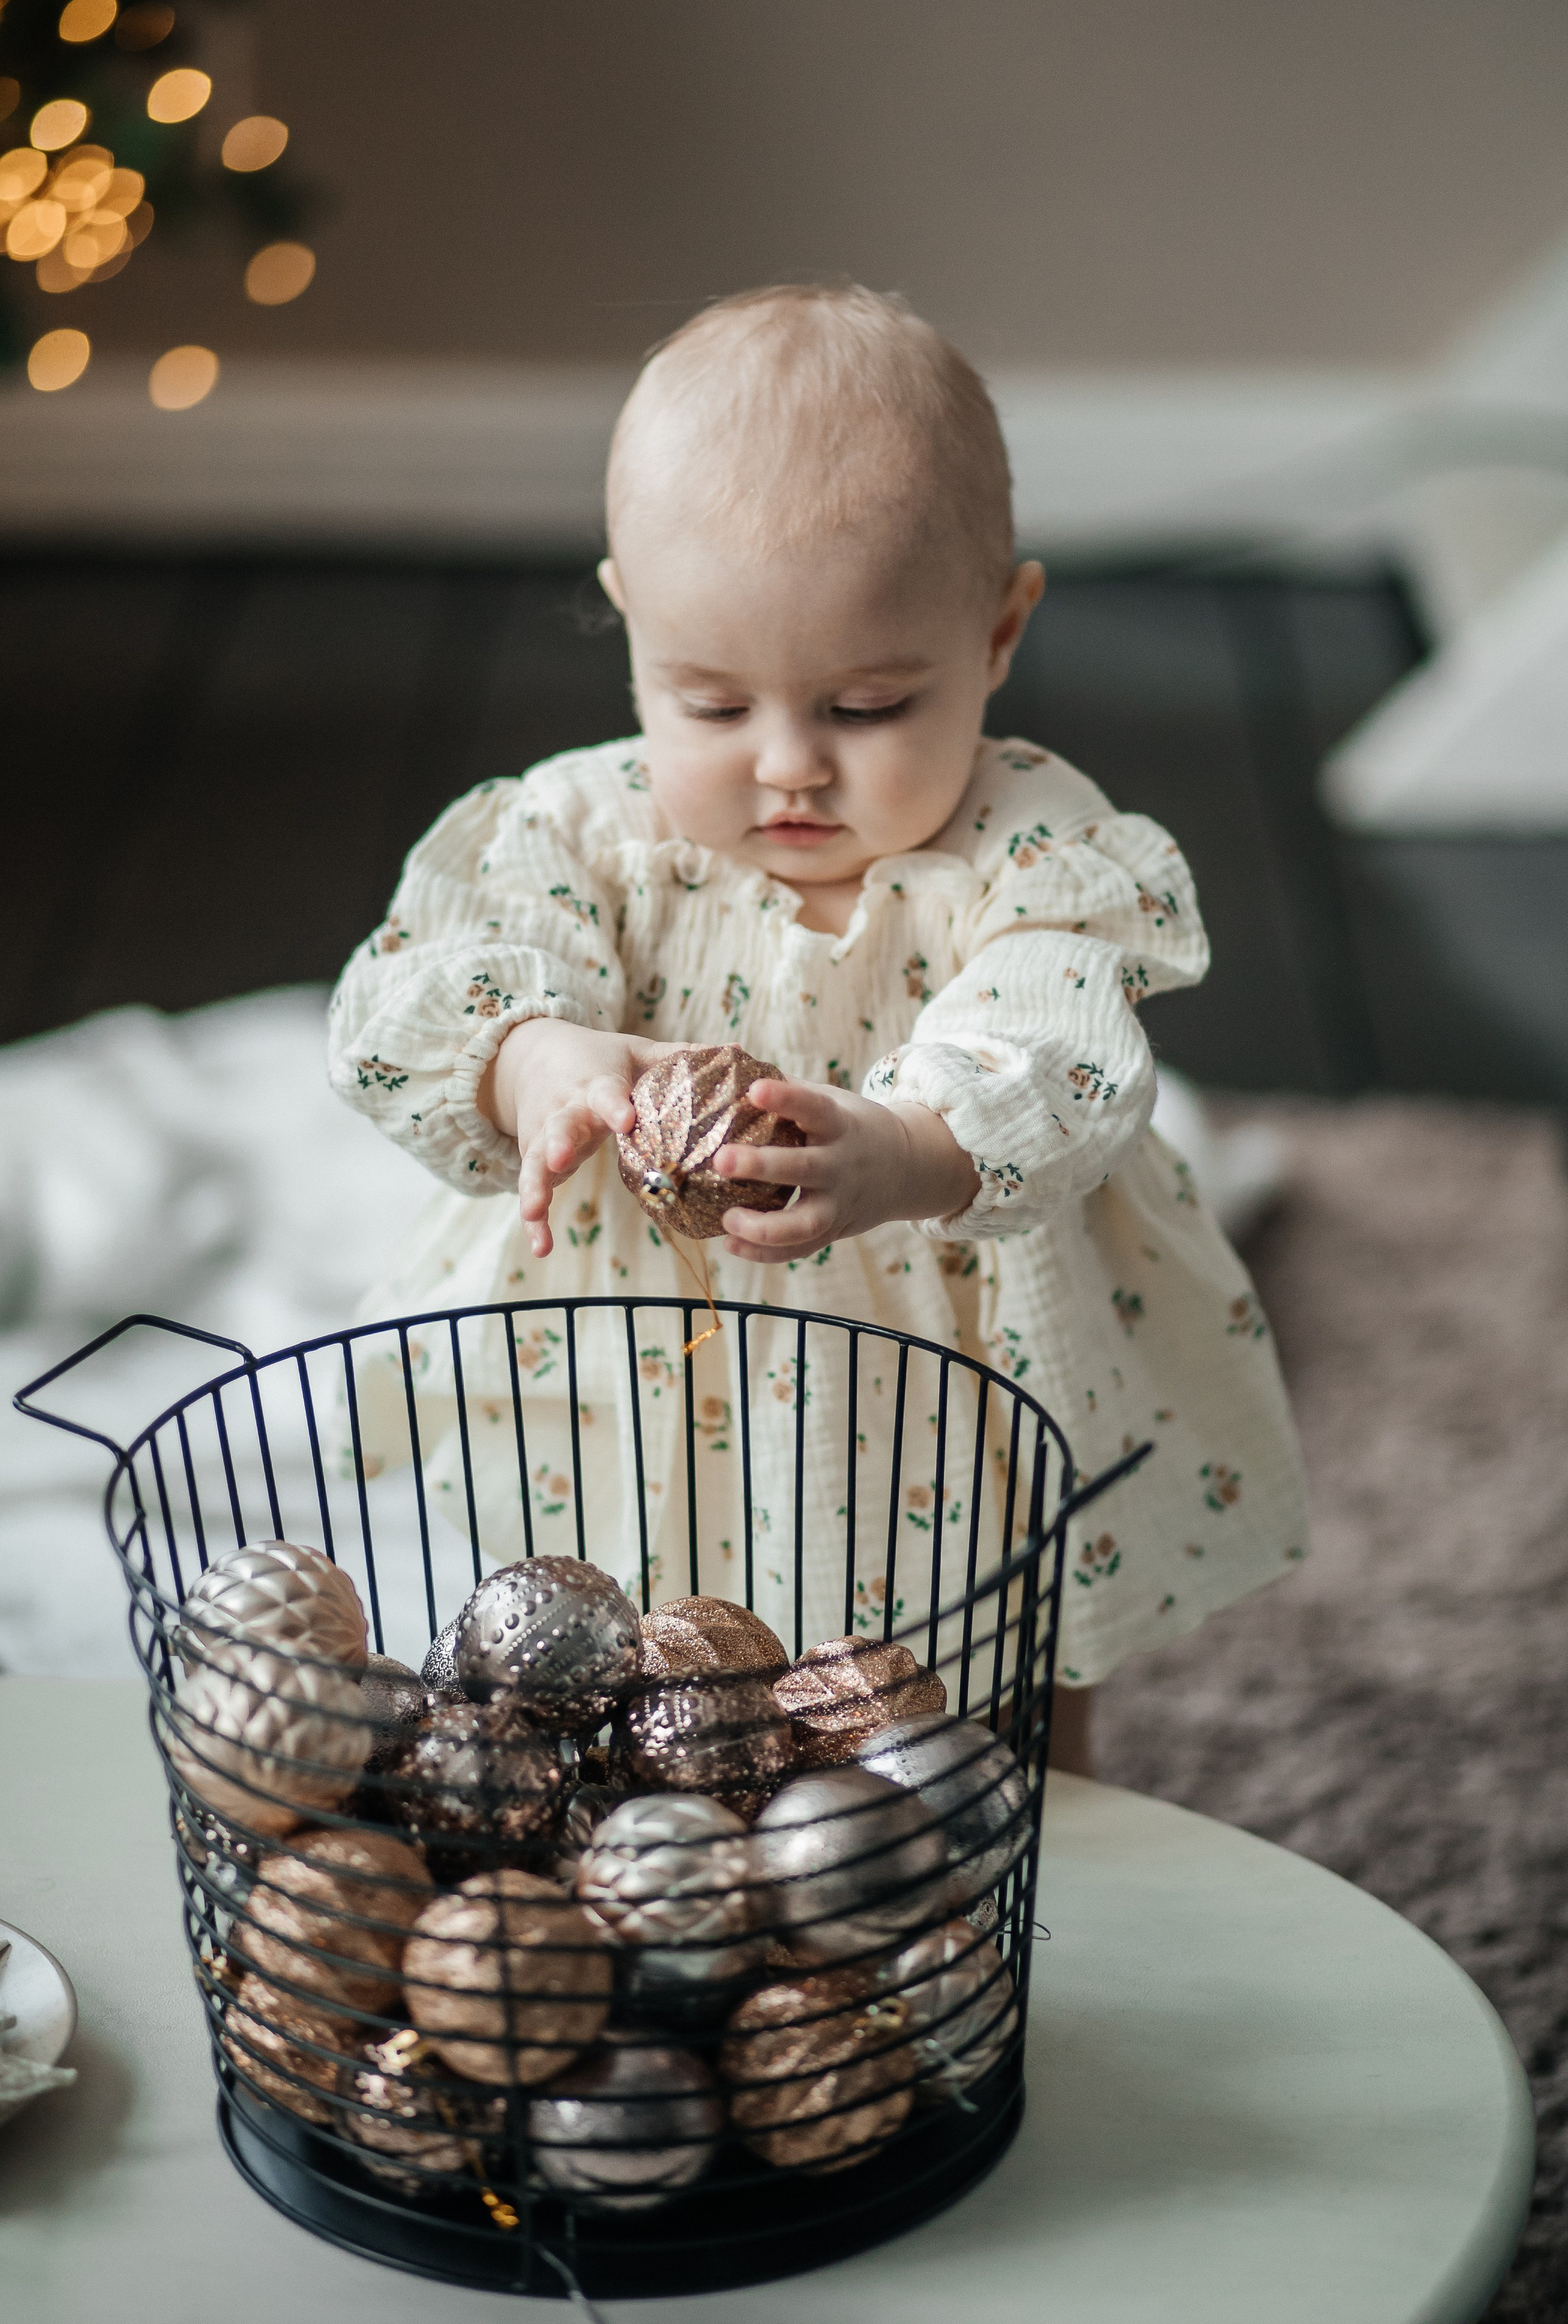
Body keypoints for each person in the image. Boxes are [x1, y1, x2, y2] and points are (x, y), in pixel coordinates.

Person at [329, 284, 1306, 1773]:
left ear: (996, 632)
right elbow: (417, 991)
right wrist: (541, 1057)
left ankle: (1028, 1860)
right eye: (708, 701)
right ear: (630, 624)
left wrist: (907, 1143)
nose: (786, 764)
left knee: (995, 1665)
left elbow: (1059, 1042)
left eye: (865, 702)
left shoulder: (1029, 842)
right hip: (633, 1359)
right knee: (623, 1664)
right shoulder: (582, 827)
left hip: (941, 1361)